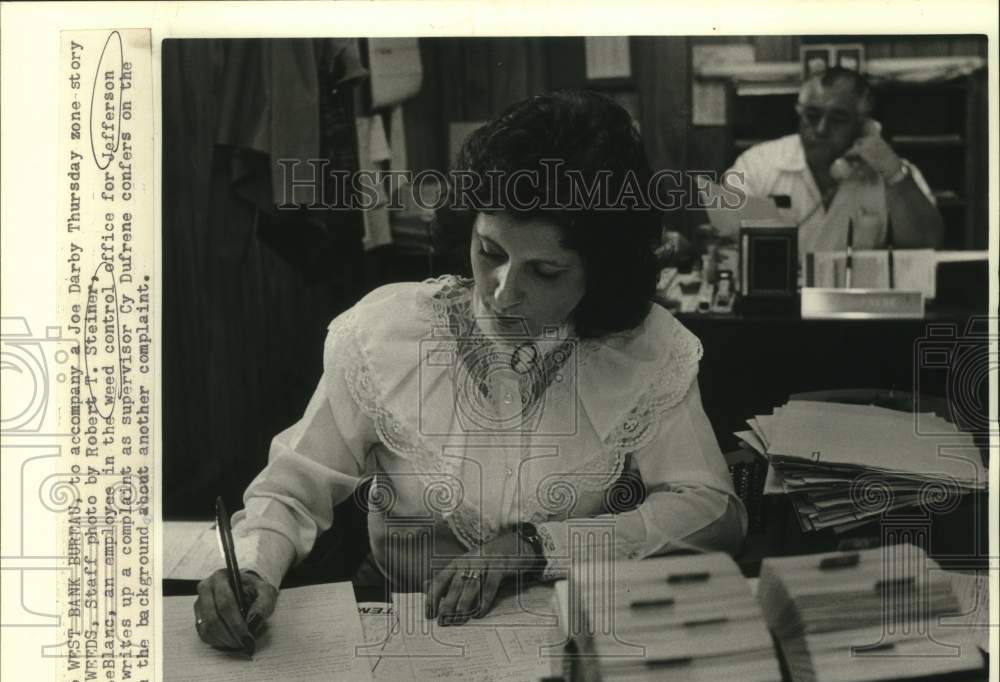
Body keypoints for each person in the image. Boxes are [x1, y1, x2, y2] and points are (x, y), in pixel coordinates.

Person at [194, 90, 747, 651]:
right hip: (409, 632)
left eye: (546, 271)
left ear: (600, 274)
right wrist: (254, 568)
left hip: (575, 631)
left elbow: (711, 511)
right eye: (490, 252)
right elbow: (293, 489)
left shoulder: (644, 346)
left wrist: (536, 546)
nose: (503, 294)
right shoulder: (385, 332)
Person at [724, 67, 944, 256]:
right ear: (798, 114)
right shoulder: (757, 164)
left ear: (862, 125)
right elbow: (724, 239)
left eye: (838, 119)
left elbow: (927, 242)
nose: (820, 129)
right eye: (812, 116)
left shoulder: (892, 173)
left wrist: (893, 173)